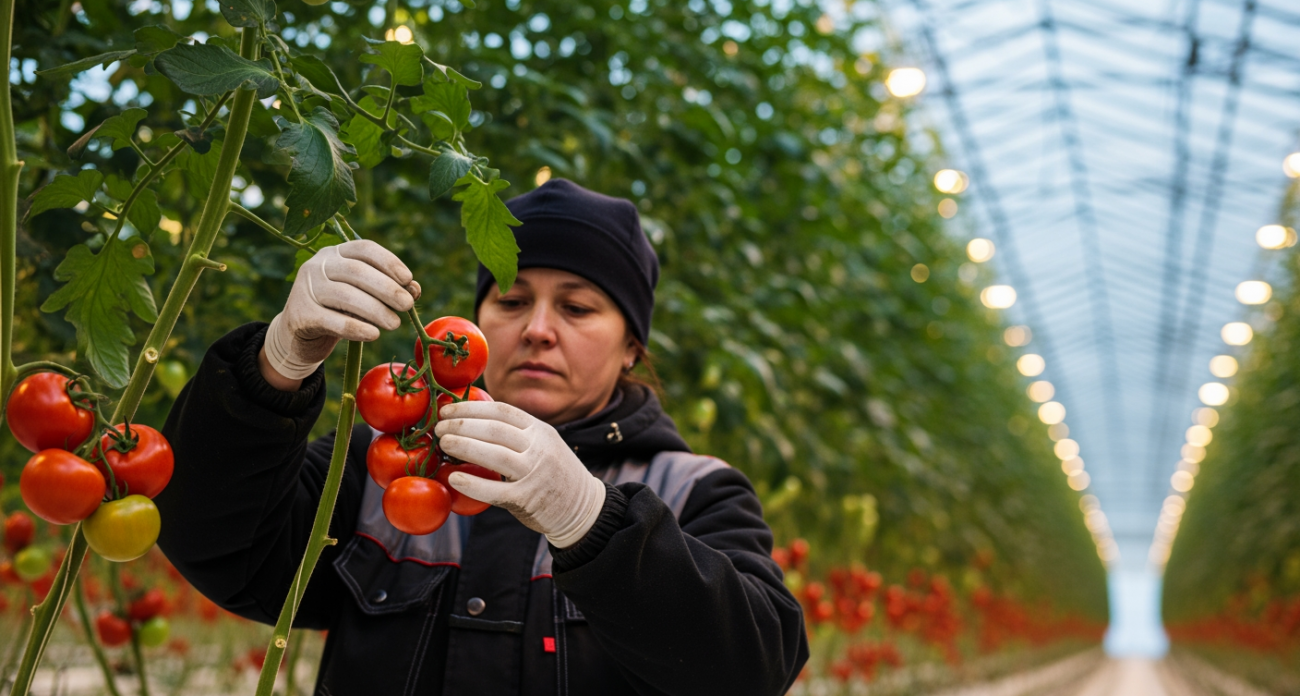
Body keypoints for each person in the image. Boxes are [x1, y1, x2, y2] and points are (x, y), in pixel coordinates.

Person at [156, 178, 809, 695]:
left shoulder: (695, 491)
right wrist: (274, 369)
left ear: (632, 346)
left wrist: (592, 521)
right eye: (511, 300)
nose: (538, 329)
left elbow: (751, 671)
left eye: (578, 307)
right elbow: (220, 549)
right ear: (475, 319)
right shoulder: (383, 462)